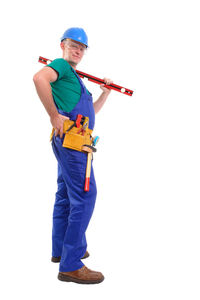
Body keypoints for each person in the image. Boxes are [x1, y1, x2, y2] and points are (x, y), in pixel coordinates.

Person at [33, 27, 112, 284]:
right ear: (62, 45)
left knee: (66, 195)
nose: (77, 49)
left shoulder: (74, 78)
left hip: (73, 140)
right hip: (73, 144)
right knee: (85, 196)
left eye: (82, 47)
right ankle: (71, 263)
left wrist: (104, 93)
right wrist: (54, 115)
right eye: (73, 45)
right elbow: (39, 79)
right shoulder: (61, 66)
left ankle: (61, 249)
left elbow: (90, 114)